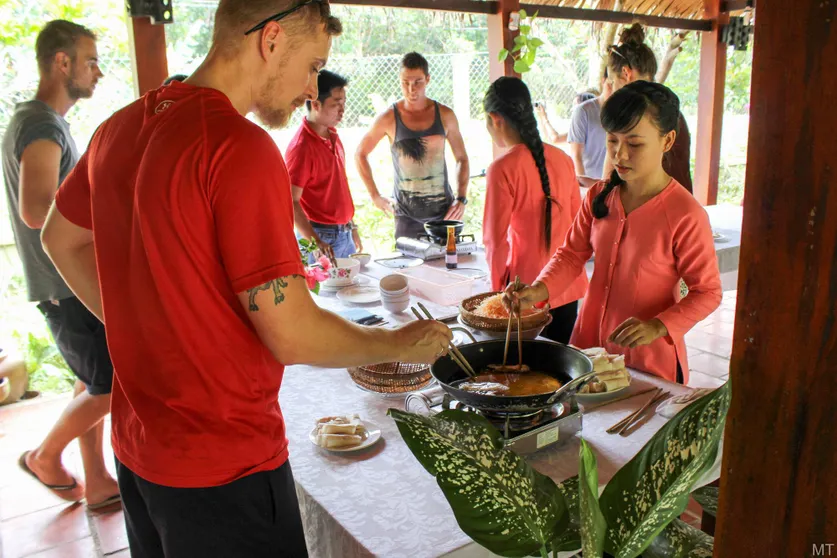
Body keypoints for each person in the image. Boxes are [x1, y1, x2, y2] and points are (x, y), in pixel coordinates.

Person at [40, 1, 451, 556]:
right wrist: (396, 343)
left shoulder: (118, 128)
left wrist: (139, 322)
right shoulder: (238, 146)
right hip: (223, 461)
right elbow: (291, 332)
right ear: (272, 38)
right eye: (312, 65)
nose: (311, 88)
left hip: (141, 449)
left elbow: (60, 239)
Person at [505, 82, 721, 384]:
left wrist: (658, 326)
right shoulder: (600, 196)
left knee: (637, 430)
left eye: (634, 144)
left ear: (668, 140)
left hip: (647, 355)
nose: (620, 154)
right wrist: (537, 292)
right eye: (612, 141)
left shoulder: (685, 214)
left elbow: (707, 292)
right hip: (588, 345)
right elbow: (570, 256)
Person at [3, 20, 120, 510]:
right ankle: (45, 457)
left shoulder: (37, 120)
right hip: (63, 282)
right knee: (115, 385)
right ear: (62, 61)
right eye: (90, 60)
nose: (97, 71)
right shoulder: (43, 124)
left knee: (89, 380)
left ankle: (96, 480)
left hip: (63, 281)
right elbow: (37, 207)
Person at [482, 77, 588, 344]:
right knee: (557, 369)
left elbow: (494, 242)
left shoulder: (502, 168)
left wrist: (497, 294)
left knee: (526, 374)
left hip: (524, 292)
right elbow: (578, 229)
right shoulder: (563, 159)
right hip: (567, 287)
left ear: (495, 119)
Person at [355, 52, 470, 239]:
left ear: (428, 79)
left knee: (448, 266)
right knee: (407, 268)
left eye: (418, 82)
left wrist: (461, 198)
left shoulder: (445, 115)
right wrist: (375, 195)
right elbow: (360, 153)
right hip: (406, 216)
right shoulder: (389, 117)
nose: (411, 89)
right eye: (405, 82)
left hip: (444, 214)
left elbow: (462, 158)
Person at [603, 23, 693, 193]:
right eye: (612, 140)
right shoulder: (673, 114)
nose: (621, 154)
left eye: (613, 83)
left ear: (626, 73)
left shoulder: (631, 121)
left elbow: (609, 180)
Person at [286, 69, 361, 260]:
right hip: (321, 237)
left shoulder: (332, 135)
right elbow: (291, 201)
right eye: (336, 105)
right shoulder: (301, 148)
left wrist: (351, 226)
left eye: (344, 103)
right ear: (316, 104)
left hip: (343, 233)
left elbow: (338, 189)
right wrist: (315, 242)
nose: (342, 110)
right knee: (323, 291)